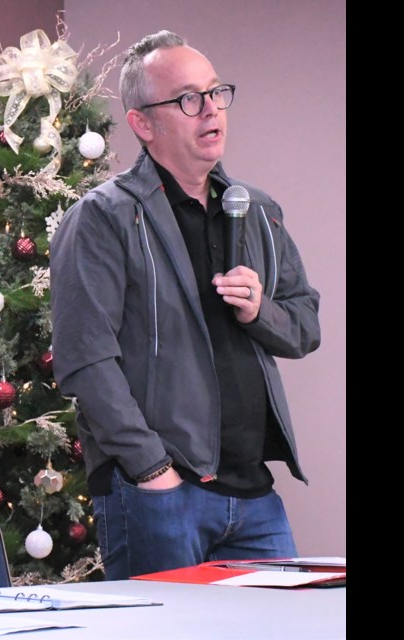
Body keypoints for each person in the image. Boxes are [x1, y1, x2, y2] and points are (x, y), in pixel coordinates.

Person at [50, 31, 321, 580]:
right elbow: (85, 358)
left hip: (254, 493)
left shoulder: (257, 210)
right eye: (187, 99)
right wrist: (152, 469)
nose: (210, 109)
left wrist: (258, 310)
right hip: (160, 494)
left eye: (216, 93)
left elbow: (304, 327)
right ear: (143, 124)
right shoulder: (104, 218)